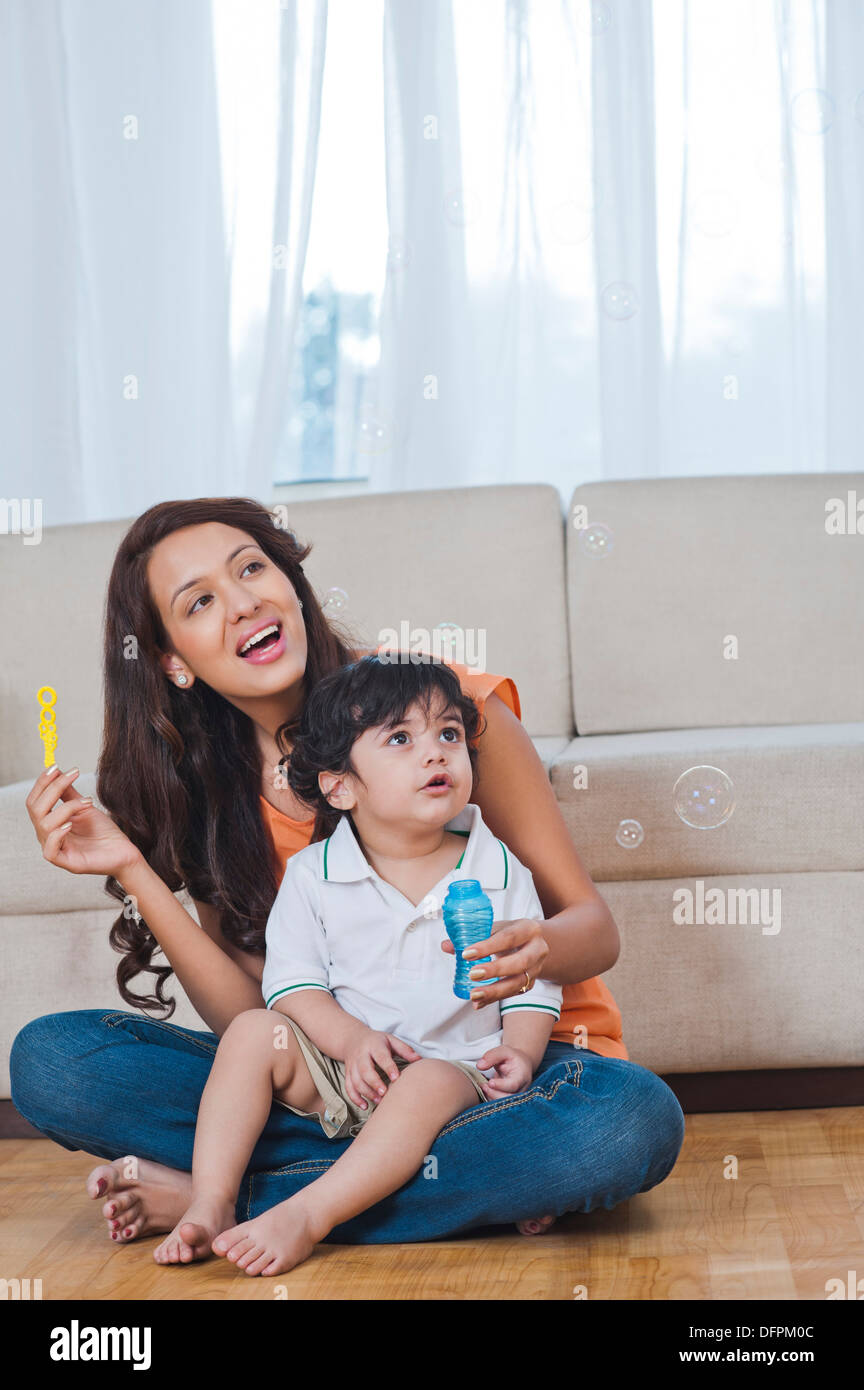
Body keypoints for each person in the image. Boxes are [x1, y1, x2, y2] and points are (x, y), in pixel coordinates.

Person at [12, 496, 684, 1252]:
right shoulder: (207, 792)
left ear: (293, 586)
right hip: (343, 1077)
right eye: (199, 602)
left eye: (252, 569)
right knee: (54, 1062)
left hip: (512, 1073)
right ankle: (398, 1188)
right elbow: (253, 1019)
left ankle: (235, 1194)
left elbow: (593, 932)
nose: (242, 604)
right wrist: (133, 868)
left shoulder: (444, 715)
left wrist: (534, 955)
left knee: (628, 1123)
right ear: (171, 661)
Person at [153, 656, 564, 1274]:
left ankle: (309, 1211)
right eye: (401, 739)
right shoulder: (313, 874)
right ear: (339, 785)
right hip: (344, 1075)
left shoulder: (497, 868)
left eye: (449, 734)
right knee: (248, 1033)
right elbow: (290, 986)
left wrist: (525, 1054)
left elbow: (533, 980)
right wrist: (352, 1043)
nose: (437, 754)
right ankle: (212, 1199)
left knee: (444, 1085)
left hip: (456, 1079)